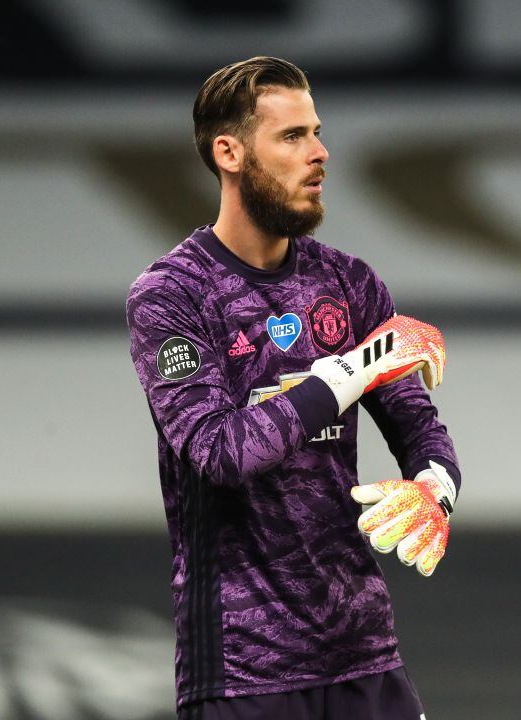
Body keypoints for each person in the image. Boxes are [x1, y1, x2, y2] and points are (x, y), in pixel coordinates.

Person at [125, 56, 461, 720]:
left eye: (317, 131)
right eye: (292, 136)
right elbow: (221, 453)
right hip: (243, 672)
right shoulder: (172, 296)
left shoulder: (350, 285)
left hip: (365, 658)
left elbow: (420, 430)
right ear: (229, 152)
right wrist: (350, 370)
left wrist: (434, 490)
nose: (320, 153)